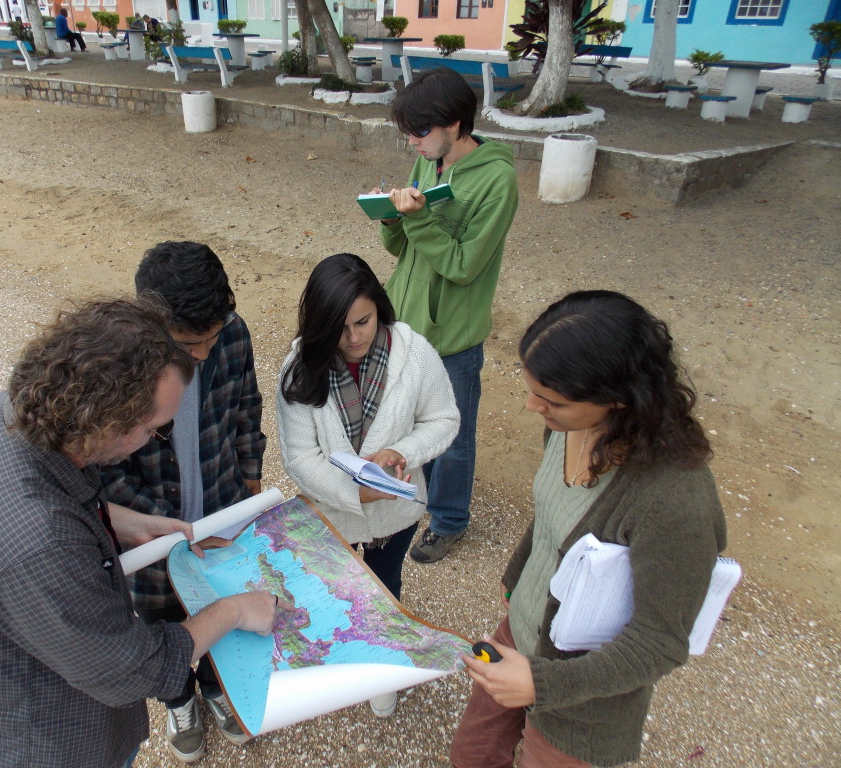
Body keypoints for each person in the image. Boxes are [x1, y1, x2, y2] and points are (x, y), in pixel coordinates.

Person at [0, 298, 280, 768]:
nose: (160, 436)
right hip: (50, 743)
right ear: (107, 419)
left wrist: (122, 521)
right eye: (156, 429)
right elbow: (130, 669)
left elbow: (55, 498)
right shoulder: (40, 545)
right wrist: (232, 610)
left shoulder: (2, 414)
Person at [451, 290, 728, 768]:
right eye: (532, 389)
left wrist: (542, 684)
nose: (531, 407)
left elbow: (660, 643)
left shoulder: (676, 500)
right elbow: (551, 512)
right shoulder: (565, 427)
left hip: (585, 697)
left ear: (617, 399)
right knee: (471, 754)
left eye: (550, 399)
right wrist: (518, 576)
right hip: (520, 634)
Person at [101, 242, 266, 763]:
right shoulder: (116, 367)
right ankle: (178, 700)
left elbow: (246, 410)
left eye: (212, 338)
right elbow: (104, 471)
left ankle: (218, 689)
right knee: (160, 624)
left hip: (221, 516)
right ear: (152, 326)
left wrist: (251, 485)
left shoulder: (230, 335)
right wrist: (159, 525)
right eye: (191, 343)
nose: (203, 353)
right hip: (150, 539)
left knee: (221, 612)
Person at [276, 253, 459, 717]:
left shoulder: (414, 353)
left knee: (385, 584)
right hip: (333, 513)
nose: (354, 338)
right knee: (333, 587)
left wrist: (404, 453)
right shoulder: (300, 366)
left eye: (363, 321)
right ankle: (338, 661)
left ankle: (381, 664)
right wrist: (355, 493)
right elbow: (300, 457)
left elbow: (444, 419)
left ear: (380, 307)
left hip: (396, 513)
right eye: (339, 328)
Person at [373, 66, 519, 564]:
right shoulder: (428, 164)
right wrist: (393, 219)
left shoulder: (497, 181)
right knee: (406, 419)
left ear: (455, 125)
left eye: (420, 131)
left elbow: (462, 265)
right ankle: (412, 500)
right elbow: (405, 249)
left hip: (453, 336)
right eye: (407, 133)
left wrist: (420, 221)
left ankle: (450, 521)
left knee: (451, 436)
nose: (412, 143)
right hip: (405, 322)